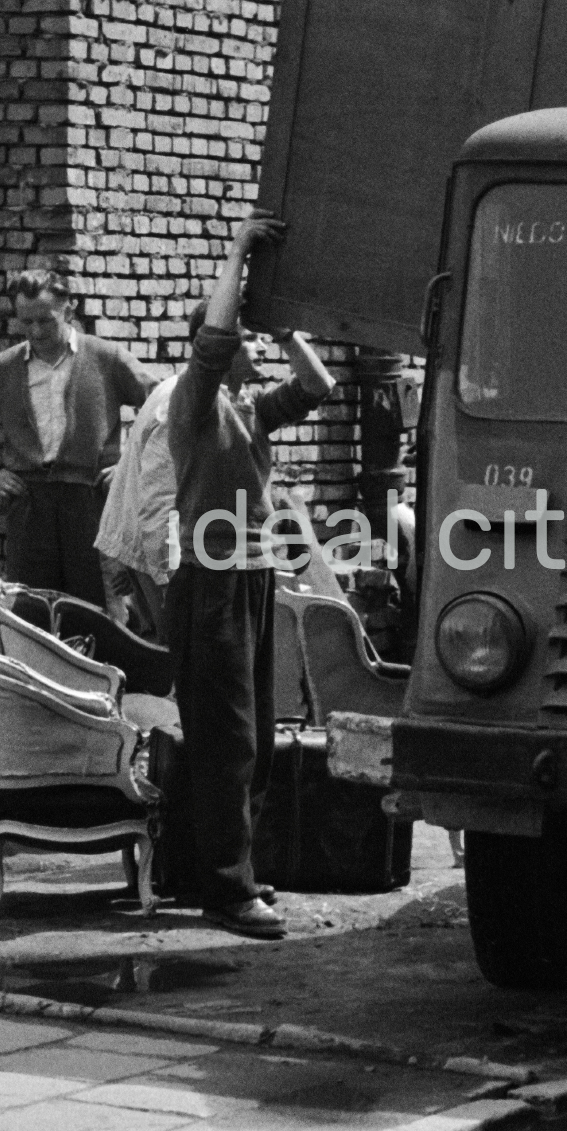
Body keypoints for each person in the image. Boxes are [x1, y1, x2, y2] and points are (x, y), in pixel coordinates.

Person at [167, 214, 336, 939]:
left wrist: (286, 329)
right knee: (227, 740)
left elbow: (319, 384)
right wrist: (238, 249)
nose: (249, 350)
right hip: (211, 584)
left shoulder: (249, 412)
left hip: (253, 580)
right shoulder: (195, 404)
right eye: (242, 341)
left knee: (257, 738)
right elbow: (213, 342)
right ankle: (227, 891)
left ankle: (217, 871)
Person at [0, 269, 156, 601]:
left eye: (45, 320)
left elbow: (164, 410)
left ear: (68, 311)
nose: (36, 331)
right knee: (34, 604)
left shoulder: (107, 357)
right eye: (26, 322)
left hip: (92, 502)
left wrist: (130, 465)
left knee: (98, 605)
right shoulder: (2, 367)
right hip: (30, 506)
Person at [94, 371, 181, 641]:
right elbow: (161, 497)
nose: (263, 349)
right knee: (172, 646)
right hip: (160, 547)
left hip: (153, 543)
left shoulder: (183, 392)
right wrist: (166, 573)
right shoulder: (180, 399)